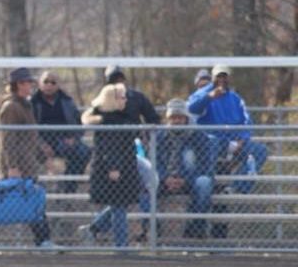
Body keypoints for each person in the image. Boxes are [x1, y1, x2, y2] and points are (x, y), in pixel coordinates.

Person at [0, 68, 54, 248]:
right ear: (19, 84)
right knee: (6, 206)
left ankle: (43, 240)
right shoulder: (11, 107)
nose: (31, 86)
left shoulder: (24, 104)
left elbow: (30, 135)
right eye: (28, 82)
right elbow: (8, 139)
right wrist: (12, 166)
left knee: (31, 202)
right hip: (17, 164)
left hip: (27, 161)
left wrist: (42, 153)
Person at [188, 64, 268, 239]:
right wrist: (209, 97)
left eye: (225, 76)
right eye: (218, 76)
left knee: (260, 151)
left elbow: (247, 122)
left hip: (234, 144)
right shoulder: (203, 94)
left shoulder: (236, 98)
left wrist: (241, 139)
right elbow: (191, 109)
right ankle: (197, 232)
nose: (222, 80)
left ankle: (236, 188)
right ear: (213, 78)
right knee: (207, 188)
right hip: (211, 148)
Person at [137, 99, 217, 240]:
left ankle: (195, 229)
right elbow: (153, 163)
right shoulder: (159, 136)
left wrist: (184, 179)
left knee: (204, 183)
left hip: (191, 180)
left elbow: (206, 166)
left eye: (180, 117)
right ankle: (152, 230)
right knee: (144, 186)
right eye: (173, 118)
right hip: (164, 180)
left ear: (186, 118)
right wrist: (165, 179)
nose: (176, 121)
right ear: (168, 119)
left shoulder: (199, 136)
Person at [77, 83, 143, 248]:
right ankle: (121, 246)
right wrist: (114, 167)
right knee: (119, 206)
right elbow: (109, 146)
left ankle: (92, 228)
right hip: (111, 169)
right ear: (112, 100)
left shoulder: (123, 116)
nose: (125, 100)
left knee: (118, 205)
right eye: (121, 97)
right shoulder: (107, 120)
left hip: (125, 166)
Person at [30, 71, 89, 193]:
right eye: (46, 82)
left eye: (53, 82)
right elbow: (29, 129)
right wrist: (41, 145)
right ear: (40, 84)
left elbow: (79, 124)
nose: (49, 85)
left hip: (63, 142)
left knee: (84, 151)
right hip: (39, 143)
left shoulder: (67, 101)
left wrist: (73, 138)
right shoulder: (33, 103)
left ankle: (67, 188)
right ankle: (35, 192)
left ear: (58, 85)